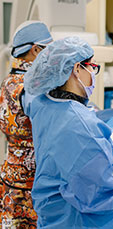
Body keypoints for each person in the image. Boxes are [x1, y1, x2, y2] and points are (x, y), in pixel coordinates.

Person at [22, 36, 113, 228]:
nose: (93, 72)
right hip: (78, 220)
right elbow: (100, 189)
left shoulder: (45, 104)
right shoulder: (79, 123)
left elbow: (81, 160)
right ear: (76, 69)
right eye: (92, 66)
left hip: (54, 214)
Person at [0, 21, 53, 228]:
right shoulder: (32, 87)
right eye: (49, 50)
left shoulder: (7, 82)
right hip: (31, 181)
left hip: (10, 175)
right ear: (36, 50)